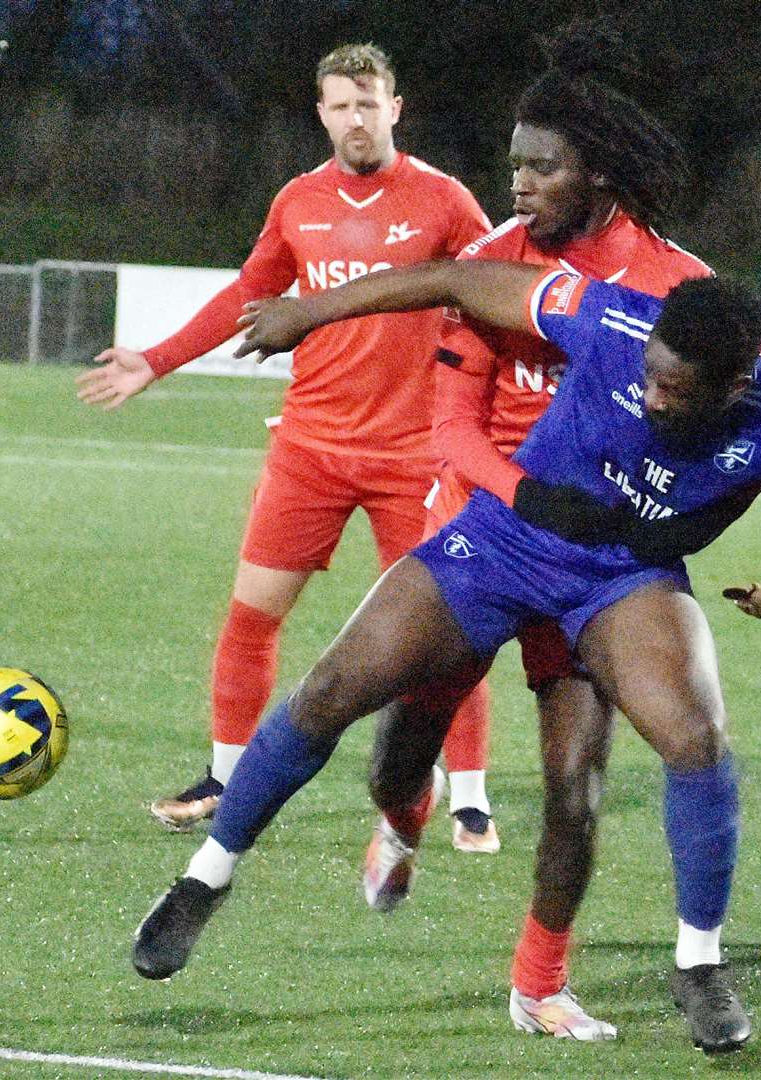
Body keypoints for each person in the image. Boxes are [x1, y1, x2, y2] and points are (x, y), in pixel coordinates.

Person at [130, 261, 761, 1055]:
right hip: (506, 545)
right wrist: (310, 311)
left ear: (736, 383)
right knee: (332, 690)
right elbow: (455, 279)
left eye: (677, 392)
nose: (654, 397)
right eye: (652, 378)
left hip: (620, 579)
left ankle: (698, 965)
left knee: (693, 742)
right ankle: (207, 876)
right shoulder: (609, 319)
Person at [366, 23, 729, 1031]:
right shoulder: (488, 262)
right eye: (514, 162)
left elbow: (701, 439)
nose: (518, 181)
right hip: (486, 525)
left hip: (589, 561)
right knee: (407, 740)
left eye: (537, 163)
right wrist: (523, 501)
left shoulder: (677, 285)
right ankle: (403, 817)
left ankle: (538, 984)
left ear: (594, 168)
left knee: (576, 781)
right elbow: (451, 424)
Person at [75, 44, 495, 846]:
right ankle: (227, 780)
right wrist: (156, 360)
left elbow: (495, 284)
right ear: (323, 113)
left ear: (395, 109)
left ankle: (469, 794)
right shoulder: (298, 201)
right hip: (310, 448)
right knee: (252, 616)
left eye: (369, 103)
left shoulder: (444, 201)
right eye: (341, 105)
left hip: (415, 457)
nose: (356, 118)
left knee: (449, 630)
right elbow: (248, 292)